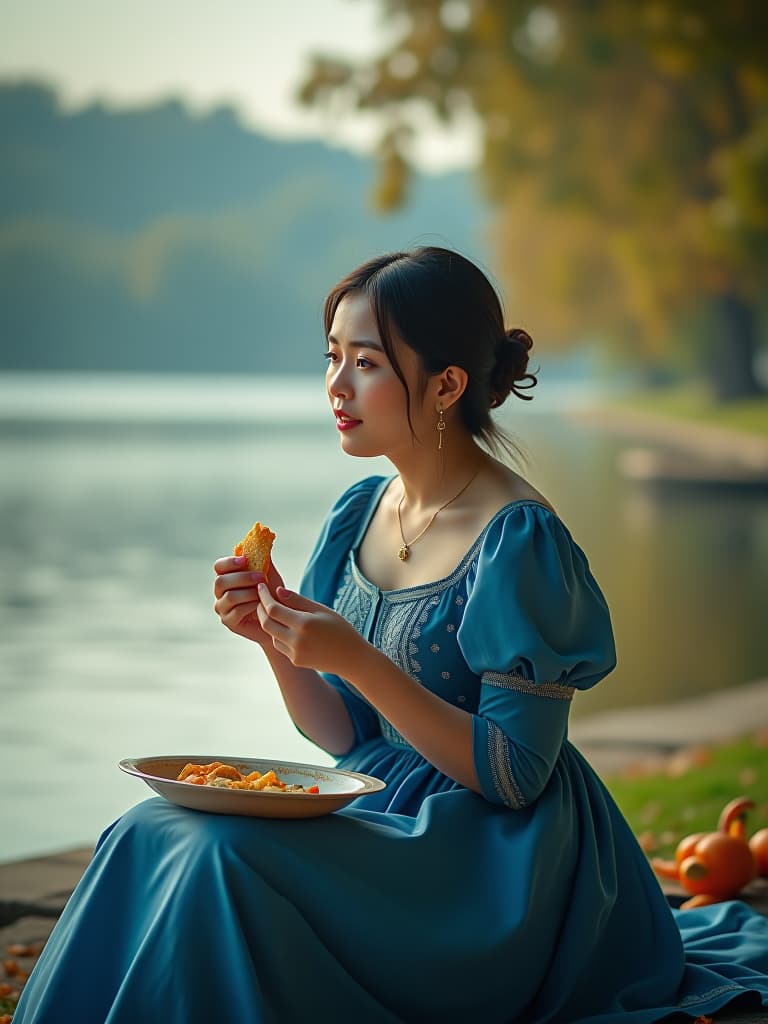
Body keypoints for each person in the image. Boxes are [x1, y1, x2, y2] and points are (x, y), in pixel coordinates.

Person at [14, 247, 768, 1023]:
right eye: (333, 357)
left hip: (492, 863)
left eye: (367, 362)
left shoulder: (518, 541)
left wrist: (359, 658)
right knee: (147, 827)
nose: (337, 386)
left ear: (447, 384)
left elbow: (515, 775)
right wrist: (273, 636)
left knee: (224, 857)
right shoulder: (359, 513)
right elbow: (343, 736)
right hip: (386, 813)